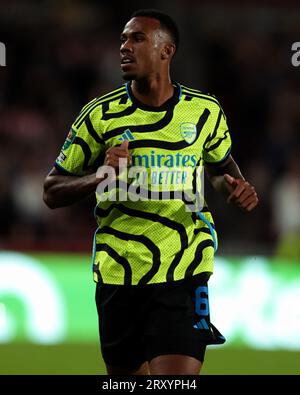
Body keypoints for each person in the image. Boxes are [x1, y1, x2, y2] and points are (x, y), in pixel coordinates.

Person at [43, 9, 258, 375]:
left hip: (184, 270)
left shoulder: (203, 112)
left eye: (137, 38)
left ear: (166, 50)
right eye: (123, 40)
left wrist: (235, 189)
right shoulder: (100, 115)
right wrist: (100, 176)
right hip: (119, 275)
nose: (125, 47)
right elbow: (52, 190)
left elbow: (222, 169)